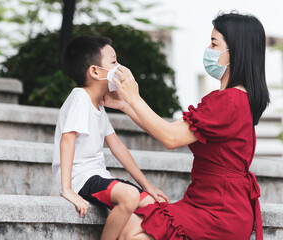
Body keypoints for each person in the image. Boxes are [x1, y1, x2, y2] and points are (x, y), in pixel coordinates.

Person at [102, 12, 269, 240]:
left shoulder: (229, 100)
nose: (208, 49)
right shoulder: (234, 99)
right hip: (208, 202)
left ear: (235, 51)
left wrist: (134, 98)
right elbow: (170, 130)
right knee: (128, 226)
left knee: (132, 231)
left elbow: (170, 138)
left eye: (214, 43)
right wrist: (125, 105)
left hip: (219, 211)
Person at [52, 35, 169, 240]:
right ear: (95, 71)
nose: (119, 67)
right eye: (114, 62)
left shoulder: (97, 104)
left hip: (99, 177)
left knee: (155, 204)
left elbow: (118, 147)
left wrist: (147, 186)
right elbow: (67, 139)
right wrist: (67, 189)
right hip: (82, 179)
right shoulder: (80, 97)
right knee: (129, 195)